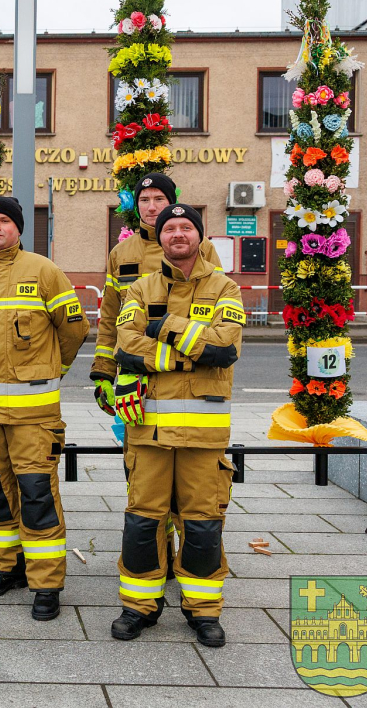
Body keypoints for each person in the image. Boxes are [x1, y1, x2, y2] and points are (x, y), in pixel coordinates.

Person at [109, 203, 244, 647]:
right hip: (147, 431)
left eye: (187, 227)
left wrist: (163, 324)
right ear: (161, 236)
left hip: (203, 437)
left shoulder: (225, 288)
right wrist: (188, 353)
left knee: (202, 525)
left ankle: (203, 611)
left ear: (199, 236)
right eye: (170, 228)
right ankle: (138, 606)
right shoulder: (140, 287)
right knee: (142, 522)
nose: (178, 234)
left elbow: (225, 348)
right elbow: (127, 346)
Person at [0, 197, 88, 621]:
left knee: (37, 495)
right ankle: (6, 569)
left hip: (33, 416)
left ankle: (46, 584)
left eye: (5, 221)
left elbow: (74, 329)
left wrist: (51, 369)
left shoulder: (44, 271)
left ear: (19, 228)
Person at [89, 173, 222, 575]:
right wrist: (103, 371)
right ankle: (155, 560)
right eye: (144, 199)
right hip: (135, 384)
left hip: (188, 382)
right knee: (143, 478)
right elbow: (110, 318)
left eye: (158, 198)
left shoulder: (202, 248)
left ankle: (187, 560)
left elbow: (213, 317)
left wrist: (167, 346)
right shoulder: (121, 253)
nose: (151, 206)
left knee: (192, 495)